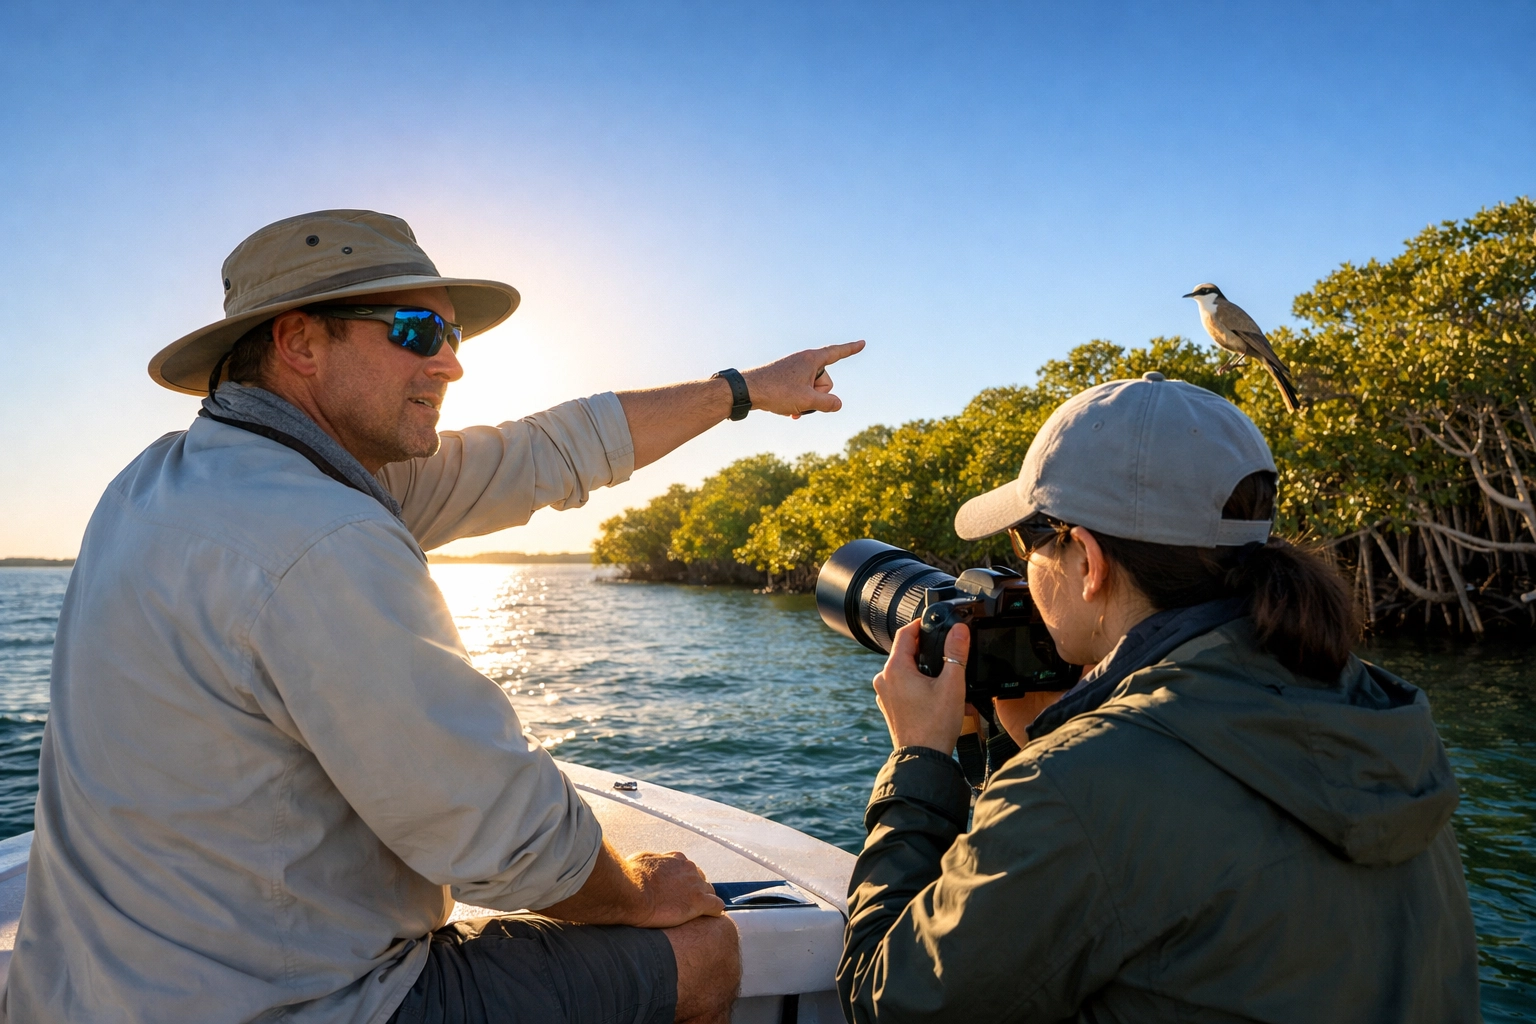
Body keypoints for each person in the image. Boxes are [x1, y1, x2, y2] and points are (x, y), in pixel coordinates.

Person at [5, 209, 864, 1024]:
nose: (451, 364)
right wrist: (644, 890)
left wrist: (741, 391)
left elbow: (541, 451)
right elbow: (504, 837)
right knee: (703, 949)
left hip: (90, 990)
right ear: (300, 341)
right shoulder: (323, 534)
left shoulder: (163, 481)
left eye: (453, 337)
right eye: (418, 332)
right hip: (297, 1004)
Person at [838, 372, 1480, 1022]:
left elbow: (888, 1001)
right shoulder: (1382, 720)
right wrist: (1049, 740)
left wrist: (920, 757)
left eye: (1025, 542)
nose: (1020, 569)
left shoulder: (1082, 786)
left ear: (1086, 560)